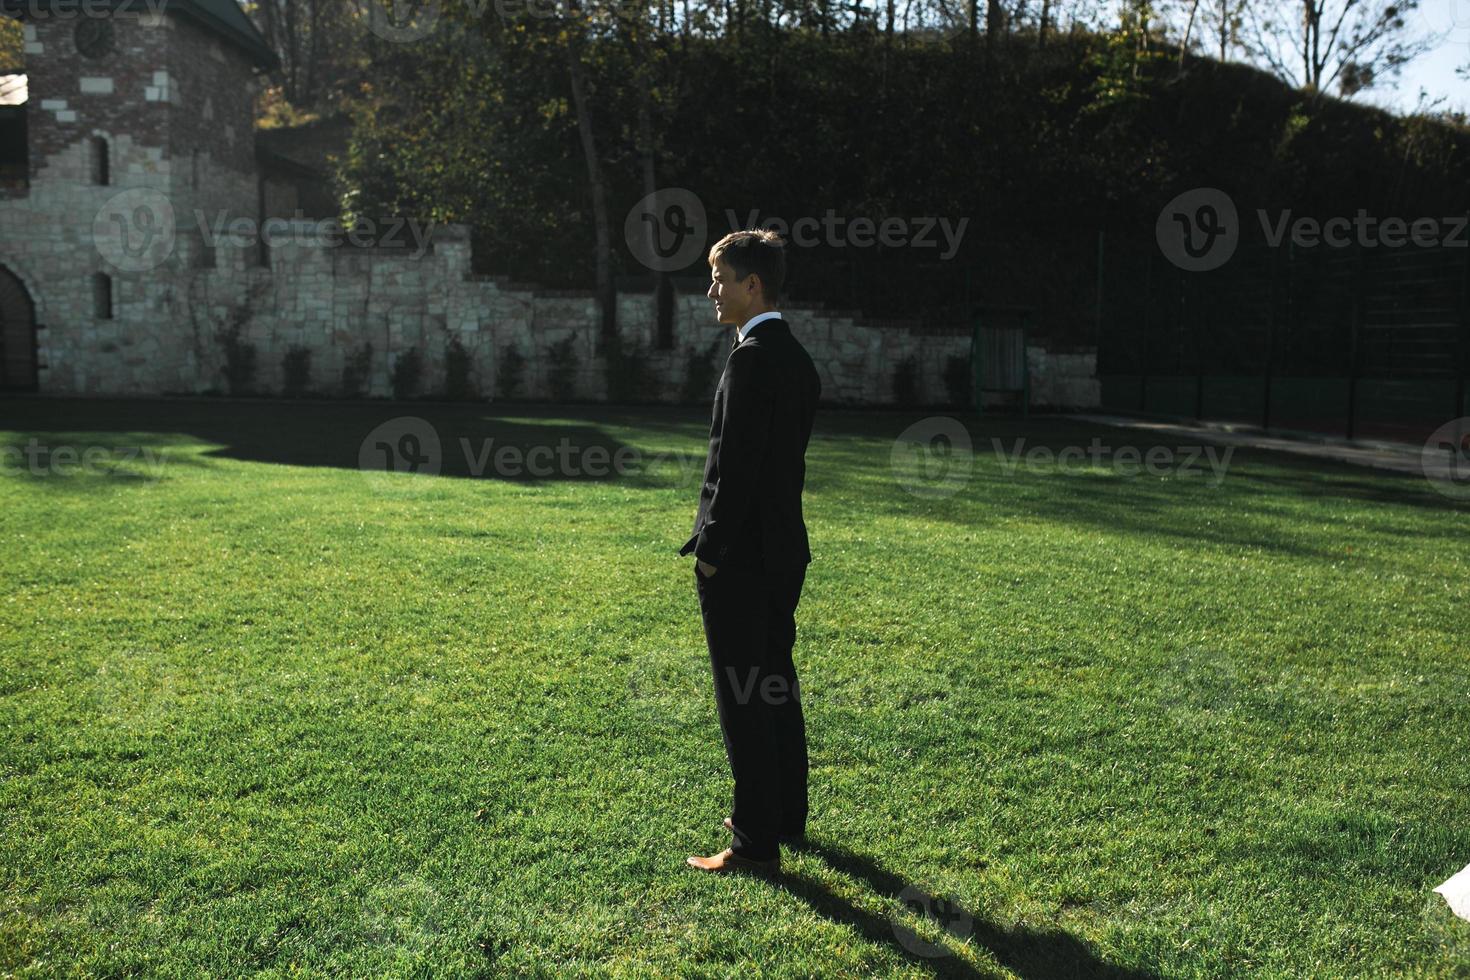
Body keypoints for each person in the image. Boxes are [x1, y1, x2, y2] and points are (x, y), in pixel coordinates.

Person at [681, 228, 822, 878]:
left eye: (719, 279)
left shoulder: (751, 359)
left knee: (744, 695)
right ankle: (784, 816)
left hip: (740, 559)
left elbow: (734, 472)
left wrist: (708, 552)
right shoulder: (794, 356)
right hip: (783, 553)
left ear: (752, 285)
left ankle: (755, 842)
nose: (712, 291)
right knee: (773, 685)